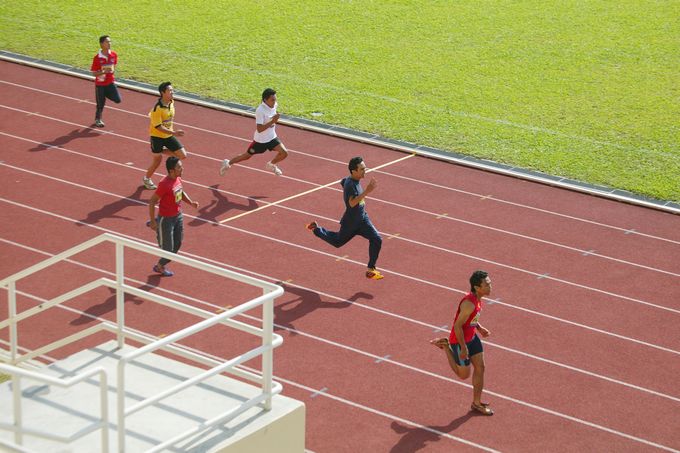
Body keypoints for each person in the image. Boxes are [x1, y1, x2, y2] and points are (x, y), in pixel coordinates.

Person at [306, 156, 384, 280]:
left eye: (365, 168)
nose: (365, 171)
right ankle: (316, 229)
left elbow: (343, 181)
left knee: (377, 239)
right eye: (362, 169)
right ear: (354, 171)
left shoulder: (351, 180)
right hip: (351, 223)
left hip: (362, 219)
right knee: (337, 242)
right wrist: (367, 191)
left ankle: (371, 269)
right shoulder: (351, 185)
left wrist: (345, 184)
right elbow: (351, 203)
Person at [430, 270, 494, 416]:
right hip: (460, 341)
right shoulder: (469, 303)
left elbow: (471, 318)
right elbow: (458, 326)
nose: (490, 286)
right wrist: (463, 348)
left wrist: (479, 328)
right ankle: (446, 346)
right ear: (477, 287)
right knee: (463, 375)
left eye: (490, 283)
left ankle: (476, 403)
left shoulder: (478, 298)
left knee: (481, 367)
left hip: (472, 337)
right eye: (487, 284)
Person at [147, 157, 198, 276]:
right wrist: (153, 221)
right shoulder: (164, 184)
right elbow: (152, 201)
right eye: (179, 167)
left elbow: (181, 192)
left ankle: (158, 224)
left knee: (177, 244)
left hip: (178, 216)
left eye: (181, 166)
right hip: (166, 219)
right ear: (171, 170)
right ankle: (159, 266)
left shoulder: (178, 179)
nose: (182, 169)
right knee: (167, 250)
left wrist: (191, 202)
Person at [219, 88, 288, 176]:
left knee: (284, 153)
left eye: (275, 99)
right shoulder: (260, 110)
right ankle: (228, 163)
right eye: (272, 100)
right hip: (260, 141)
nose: (274, 102)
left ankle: (271, 164)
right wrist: (273, 121)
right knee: (247, 156)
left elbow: (272, 114)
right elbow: (259, 129)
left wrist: (273, 119)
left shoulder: (274, 105)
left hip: (272, 137)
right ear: (265, 100)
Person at [144, 81, 188, 190]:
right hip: (157, 137)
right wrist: (174, 133)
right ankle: (146, 178)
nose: (172, 92)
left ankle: (160, 151)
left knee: (182, 155)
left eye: (172, 90)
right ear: (163, 93)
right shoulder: (157, 109)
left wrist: (172, 133)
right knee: (157, 161)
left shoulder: (171, 102)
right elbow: (158, 127)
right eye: (170, 90)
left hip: (168, 136)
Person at [90, 35, 121, 127]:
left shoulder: (114, 55)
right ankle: (98, 119)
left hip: (110, 82)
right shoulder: (97, 58)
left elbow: (114, 66)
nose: (109, 43)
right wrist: (103, 71)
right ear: (101, 44)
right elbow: (94, 73)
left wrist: (111, 71)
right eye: (107, 42)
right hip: (100, 84)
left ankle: (105, 94)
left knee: (118, 100)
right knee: (100, 104)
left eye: (110, 41)